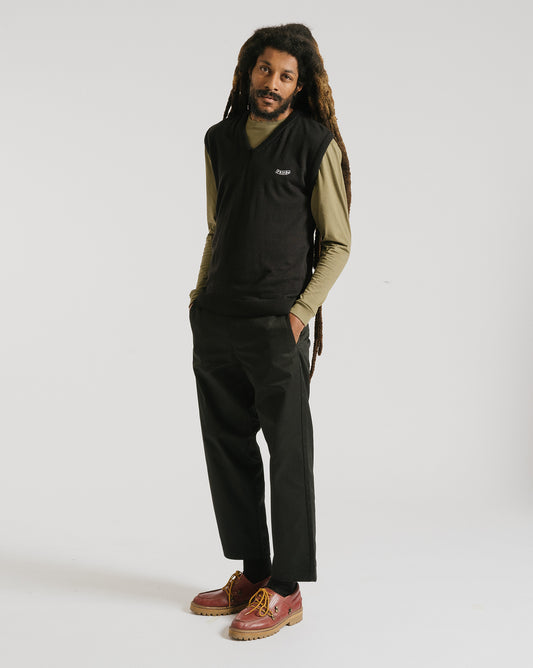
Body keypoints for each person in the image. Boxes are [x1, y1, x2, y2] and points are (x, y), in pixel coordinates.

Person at [188, 23, 351, 641]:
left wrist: (299, 314)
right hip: (217, 320)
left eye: (285, 75)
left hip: (278, 325)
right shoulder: (219, 139)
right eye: (265, 70)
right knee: (226, 447)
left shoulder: (314, 143)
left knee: (289, 453)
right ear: (248, 72)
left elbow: (337, 243)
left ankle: (285, 588)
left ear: (299, 85)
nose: (272, 83)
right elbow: (216, 226)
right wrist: (198, 297)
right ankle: (253, 571)